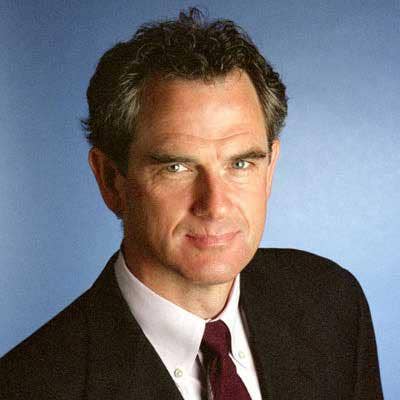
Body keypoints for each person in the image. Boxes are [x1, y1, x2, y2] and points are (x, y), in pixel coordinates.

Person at [1, 8, 383, 400]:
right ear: (111, 180)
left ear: (269, 170)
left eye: (240, 164)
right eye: (176, 167)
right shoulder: (28, 386)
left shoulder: (332, 304)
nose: (215, 205)